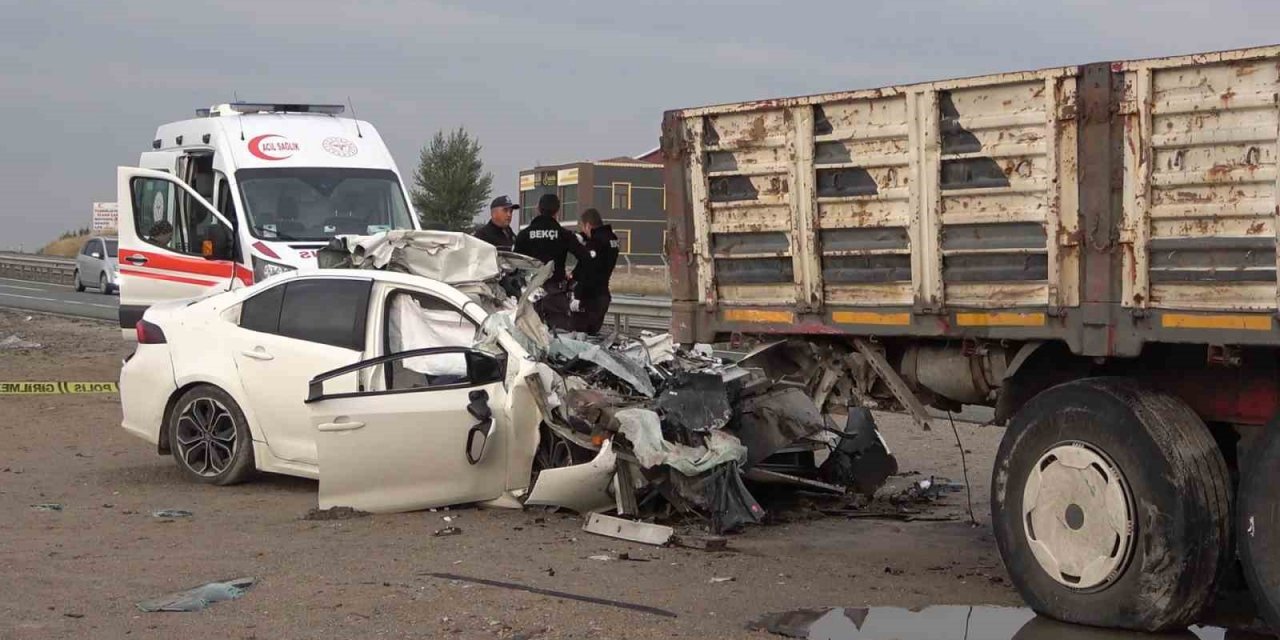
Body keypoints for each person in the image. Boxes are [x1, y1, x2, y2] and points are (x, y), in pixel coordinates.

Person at [514, 193, 594, 330]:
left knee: (530, 336)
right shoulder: (564, 234)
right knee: (560, 338)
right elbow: (586, 258)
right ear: (557, 211)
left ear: (538, 209)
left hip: (530, 294)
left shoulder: (524, 235)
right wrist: (574, 276)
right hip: (556, 294)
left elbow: (514, 264)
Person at [570, 208, 619, 334]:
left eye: (584, 228)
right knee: (592, 335)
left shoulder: (595, 243)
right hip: (603, 296)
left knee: (580, 338)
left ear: (587, 225)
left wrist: (578, 296)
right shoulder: (612, 239)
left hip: (589, 299)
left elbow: (587, 269)